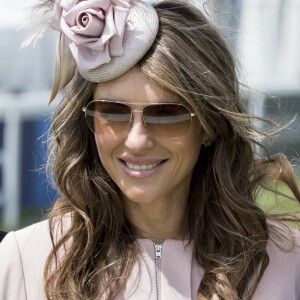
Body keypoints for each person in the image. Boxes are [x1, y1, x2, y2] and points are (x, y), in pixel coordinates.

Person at [0, 0, 300, 299]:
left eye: (167, 114)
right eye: (113, 111)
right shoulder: (24, 262)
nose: (136, 141)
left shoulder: (289, 262)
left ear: (209, 126)